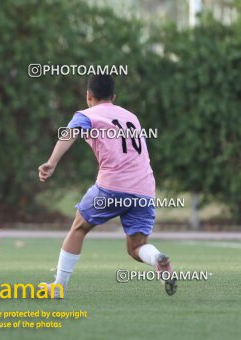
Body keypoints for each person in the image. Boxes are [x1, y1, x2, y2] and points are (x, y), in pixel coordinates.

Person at [38, 75, 176, 298]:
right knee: (136, 247)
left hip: (112, 185)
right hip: (144, 189)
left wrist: (52, 162)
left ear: (88, 96)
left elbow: (70, 132)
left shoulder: (87, 114)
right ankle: (158, 258)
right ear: (114, 97)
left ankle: (58, 287)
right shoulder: (131, 116)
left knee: (79, 228)